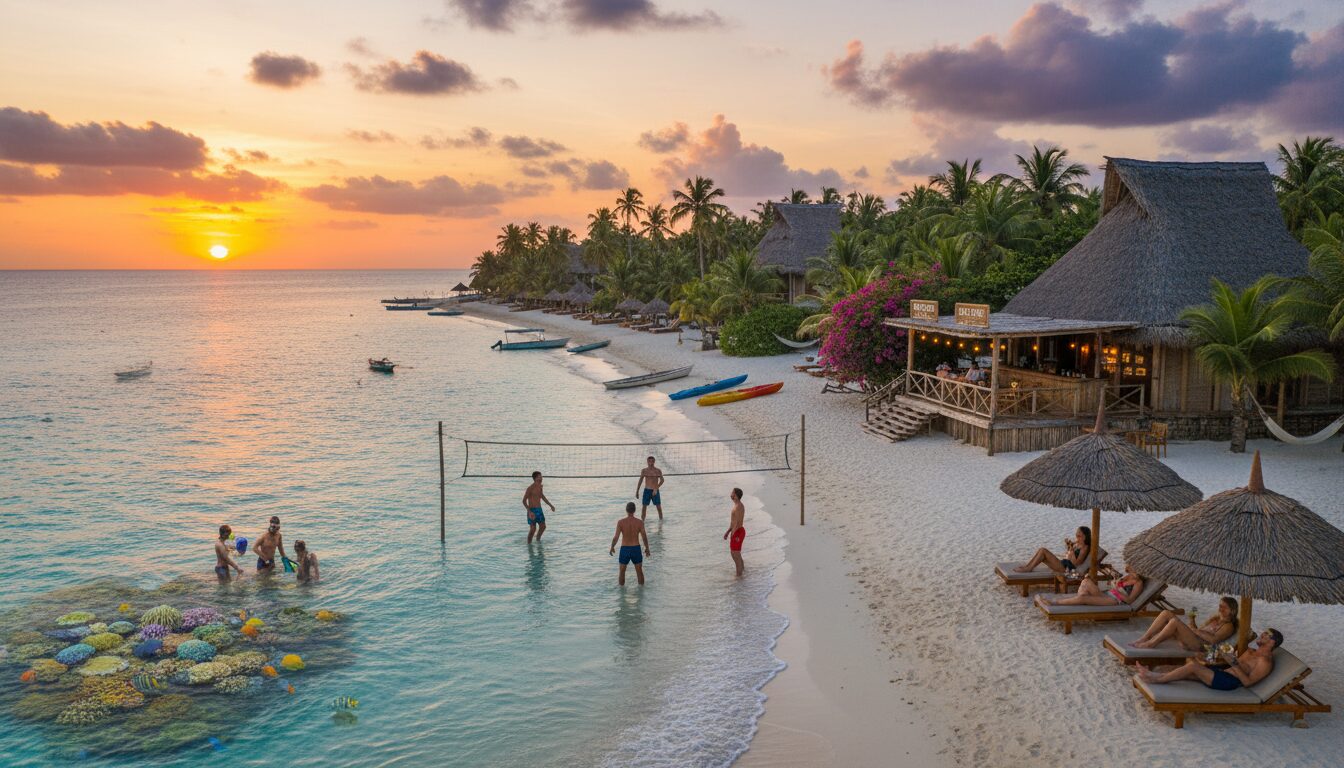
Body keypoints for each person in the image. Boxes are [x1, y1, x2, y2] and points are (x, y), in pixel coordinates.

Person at [1137, 629, 1282, 691]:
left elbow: (1248, 683)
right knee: (1186, 670)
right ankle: (1154, 674)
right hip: (1222, 672)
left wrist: (1233, 662)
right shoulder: (1250, 651)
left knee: (1193, 667)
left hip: (1229, 682)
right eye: (1263, 633)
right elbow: (1235, 663)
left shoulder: (1265, 662)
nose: (1261, 635)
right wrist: (1226, 655)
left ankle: (1157, 679)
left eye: (1266, 635)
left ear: (1272, 643)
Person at [1132, 596, 1237, 650]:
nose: (1221, 609)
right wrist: (1192, 620)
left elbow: (1214, 640)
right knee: (1166, 613)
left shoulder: (1228, 626)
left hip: (1201, 646)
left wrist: (1194, 630)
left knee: (1174, 622)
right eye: (1220, 606)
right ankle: (1145, 637)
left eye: (1225, 607)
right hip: (1194, 638)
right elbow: (1199, 630)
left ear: (1232, 610)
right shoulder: (1215, 619)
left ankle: (1151, 643)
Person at [1049, 565, 1143, 606]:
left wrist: (1116, 591)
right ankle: (1080, 600)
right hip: (1108, 594)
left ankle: (1056, 603)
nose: (1129, 568)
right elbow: (1114, 585)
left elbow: (1130, 600)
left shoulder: (1138, 583)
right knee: (1086, 581)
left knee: (1083, 598)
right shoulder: (1128, 576)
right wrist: (1114, 583)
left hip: (1115, 600)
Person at [1014, 526, 1092, 574]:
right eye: (1077, 533)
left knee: (1043, 550)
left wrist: (1072, 550)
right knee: (1041, 551)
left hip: (1066, 568)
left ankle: (1028, 568)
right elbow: (1069, 555)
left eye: (1079, 534)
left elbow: (1076, 563)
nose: (1076, 535)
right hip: (1064, 563)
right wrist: (1069, 546)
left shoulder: (1085, 548)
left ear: (1085, 536)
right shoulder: (1077, 544)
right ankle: (1027, 567)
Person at [609, 502, 651, 586]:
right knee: (639, 571)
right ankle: (641, 591)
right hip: (636, 548)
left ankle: (621, 592)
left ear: (626, 510)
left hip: (625, 549)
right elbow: (644, 536)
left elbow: (616, 537)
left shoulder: (621, 522)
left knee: (622, 572)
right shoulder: (639, 522)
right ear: (634, 510)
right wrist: (647, 548)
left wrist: (612, 547)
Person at [523, 471, 555, 543]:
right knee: (533, 529)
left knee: (543, 527)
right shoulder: (530, 488)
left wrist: (550, 505)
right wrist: (529, 512)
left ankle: (538, 540)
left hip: (539, 510)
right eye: (539, 477)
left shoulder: (540, 486)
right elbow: (524, 501)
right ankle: (529, 545)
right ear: (535, 478)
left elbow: (542, 496)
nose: (541, 478)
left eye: (541, 477)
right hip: (532, 511)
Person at [723, 488, 746, 577]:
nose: (730, 494)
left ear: (735, 495)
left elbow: (738, 522)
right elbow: (733, 522)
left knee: (735, 555)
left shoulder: (739, 506)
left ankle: (739, 576)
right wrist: (728, 531)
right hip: (736, 532)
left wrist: (734, 534)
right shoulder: (736, 505)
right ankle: (743, 571)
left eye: (732, 493)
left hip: (738, 532)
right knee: (736, 554)